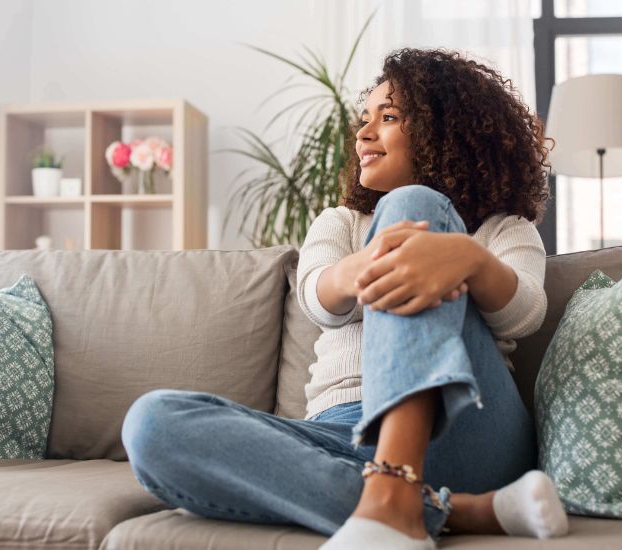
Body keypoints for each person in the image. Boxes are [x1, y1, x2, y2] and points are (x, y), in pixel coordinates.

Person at [121, 48, 569, 550]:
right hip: (342, 438)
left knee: (411, 205)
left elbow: (525, 314)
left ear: (448, 132)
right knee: (153, 424)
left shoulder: (503, 229)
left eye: (390, 116)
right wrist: (359, 271)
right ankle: (444, 509)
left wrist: (468, 259)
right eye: (364, 119)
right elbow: (317, 298)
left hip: (467, 430)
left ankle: (400, 492)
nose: (364, 133)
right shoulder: (339, 223)